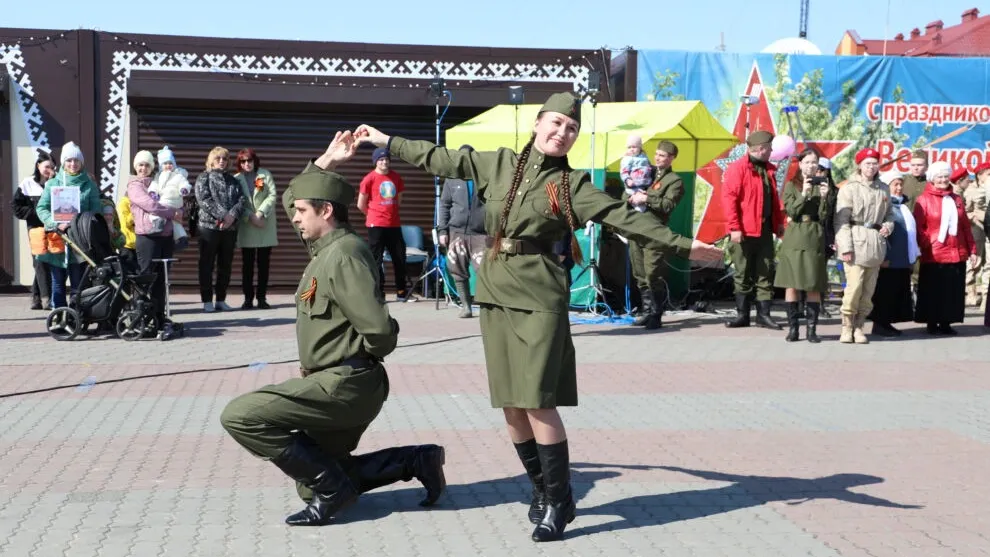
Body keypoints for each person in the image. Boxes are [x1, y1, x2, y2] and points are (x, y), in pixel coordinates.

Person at [352, 92, 723, 542]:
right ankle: (542, 489)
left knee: (537, 399)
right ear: (537, 124)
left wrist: (686, 246)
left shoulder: (572, 187)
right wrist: (388, 140)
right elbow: (439, 158)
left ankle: (561, 499)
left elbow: (624, 217)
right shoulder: (499, 164)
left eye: (571, 128)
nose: (562, 133)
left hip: (541, 294)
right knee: (510, 401)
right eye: (555, 123)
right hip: (495, 290)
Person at [220, 132, 446, 527]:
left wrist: (356, 359)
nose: (294, 217)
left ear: (326, 212)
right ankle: (414, 460)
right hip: (338, 381)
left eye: (303, 212)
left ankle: (335, 490)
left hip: (346, 384)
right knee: (314, 481)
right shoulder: (325, 246)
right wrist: (327, 160)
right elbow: (293, 195)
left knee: (241, 415)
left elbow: (379, 330)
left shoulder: (344, 256)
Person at [722, 130, 785, 329]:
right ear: (760, 148)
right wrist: (734, 228)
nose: (771, 151)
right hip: (743, 231)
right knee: (742, 272)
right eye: (769, 148)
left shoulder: (769, 170)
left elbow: (774, 201)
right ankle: (743, 315)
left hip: (764, 229)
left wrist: (779, 223)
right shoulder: (738, 169)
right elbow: (729, 200)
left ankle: (763, 315)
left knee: (765, 271)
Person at [834, 147, 895, 344]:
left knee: (868, 291)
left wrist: (888, 226)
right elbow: (841, 221)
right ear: (859, 166)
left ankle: (859, 326)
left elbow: (890, 214)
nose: (871, 167)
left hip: (875, 243)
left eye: (874, 163)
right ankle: (847, 326)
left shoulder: (883, 188)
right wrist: (845, 247)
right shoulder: (849, 188)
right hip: (855, 240)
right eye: (867, 163)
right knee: (854, 288)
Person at [773, 148, 832, 343]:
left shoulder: (822, 184)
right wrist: (804, 193)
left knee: (812, 283)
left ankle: (812, 330)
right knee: (792, 284)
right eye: (807, 162)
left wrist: (824, 198)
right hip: (796, 235)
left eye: (814, 162)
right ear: (800, 164)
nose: (811, 166)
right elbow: (792, 211)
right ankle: (793, 329)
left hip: (814, 235)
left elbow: (824, 216)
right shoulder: (792, 185)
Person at [35, 141, 102, 309]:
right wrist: (54, 222)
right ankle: (59, 317)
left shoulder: (89, 184)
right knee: (57, 282)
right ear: (64, 162)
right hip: (58, 239)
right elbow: (41, 208)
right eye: (69, 160)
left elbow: (95, 211)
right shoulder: (53, 184)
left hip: (80, 241)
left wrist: (81, 224)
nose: (73, 164)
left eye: (76, 160)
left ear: (81, 162)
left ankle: (76, 317)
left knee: (78, 285)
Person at [625, 140, 684, 329]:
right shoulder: (646, 170)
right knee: (639, 273)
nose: (658, 158)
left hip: (655, 232)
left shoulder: (674, 181)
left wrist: (647, 198)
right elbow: (630, 187)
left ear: (672, 158)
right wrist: (631, 196)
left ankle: (656, 314)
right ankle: (646, 311)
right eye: (657, 154)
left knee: (652, 274)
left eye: (663, 156)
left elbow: (667, 205)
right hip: (637, 228)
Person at [913, 161, 977, 335]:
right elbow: (919, 227)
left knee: (952, 289)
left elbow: (965, 226)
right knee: (934, 288)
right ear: (932, 179)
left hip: (956, 249)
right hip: (934, 252)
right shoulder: (924, 199)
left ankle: (947, 322)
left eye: (945, 176)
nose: (943, 180)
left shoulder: (956, 199)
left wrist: (972, 249)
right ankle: (932, 322)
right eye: (939, 177)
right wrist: (928, 243)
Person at [128, 150, 179, 330]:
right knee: (146, 278)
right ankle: (140, 317)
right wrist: (171, 213)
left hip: (165, 236)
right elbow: (150, 205)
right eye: (141, 165)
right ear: (136, 167)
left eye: (147, 165)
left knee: (161, 280)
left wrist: (178, 210)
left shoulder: (158, 181)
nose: (144, 168)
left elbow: (175, 199)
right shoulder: (134, 185)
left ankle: (158, 317)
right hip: (147, 237)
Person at [194, 146, 246, 313]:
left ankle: (221, 299)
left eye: (224, 159)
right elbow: (204, 199)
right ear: (211, 161)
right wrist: (223, 215)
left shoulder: (233, 180)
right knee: (206, 264)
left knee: (226, 265)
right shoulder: (204, 177)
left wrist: (232, 217)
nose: (221, 161)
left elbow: (241, 200)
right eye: (218, 159)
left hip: (229, 229)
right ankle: (207, 300)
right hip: (208, 227)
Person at [438, 144, 486, 317]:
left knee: (485, 270)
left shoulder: (484, 178)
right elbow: (444, 205)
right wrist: (442, 231)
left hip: (481, 233)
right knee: (457, 268)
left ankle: (487, 306)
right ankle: (466, 306)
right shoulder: (452, 179)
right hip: (456, 232)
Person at [868, 172, 919, 337]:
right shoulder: (883, 206)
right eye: (895, 184)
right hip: (887, 259)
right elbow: (874, 229)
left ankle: (887, 323)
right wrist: (881, 257)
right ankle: (880, 324)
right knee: (885, 293)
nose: (899, 188)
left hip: (901, 259)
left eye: (900, 184)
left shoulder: (902, 206)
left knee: (896, 292)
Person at [358, 147, 409, 301]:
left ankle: (401, 291)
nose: (384, 162)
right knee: (376, 260)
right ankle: (378, 292)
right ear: (375, 162)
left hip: (394, 224)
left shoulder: (396, 177)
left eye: (386, 159)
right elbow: (361, 204)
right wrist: (373, 215)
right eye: (381, 159)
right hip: (376, 225)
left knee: (399, 257)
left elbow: (398, 199)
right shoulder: (369, 179)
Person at [235, 148, 279, 310]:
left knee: (263, 265)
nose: (247, 164)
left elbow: (272, 195)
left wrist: (260, 213)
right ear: (239, 163)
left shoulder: (264, 175)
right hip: (248, 226)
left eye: (249, 161)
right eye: (243, 161)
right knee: (247, 266)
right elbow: (236, 202)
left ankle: (261, 298)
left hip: (264, 224)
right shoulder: (237, 179)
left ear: (255, 161)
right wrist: (250, 216)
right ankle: (247, 299)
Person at [12, 151, 57, 309]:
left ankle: (36, 297)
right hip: (35, 228)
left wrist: (53, 182)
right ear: (38, 166)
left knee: (49, 260)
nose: (49, 170)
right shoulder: (27, 183)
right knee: (39, 260)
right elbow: (16, 207)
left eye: (52, 167)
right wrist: (34, 214)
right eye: (46, 166)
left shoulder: (56, 183)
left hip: (53, 227)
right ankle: (46, 299)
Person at [953, 166, 986, 307]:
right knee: (974, 262)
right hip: (976, 229)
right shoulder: (968, 190)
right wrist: (976, 217)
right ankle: (970, 294)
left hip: (986, 230)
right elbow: (964, 212)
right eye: (988, 174)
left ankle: (984, 297)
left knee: (986, 264)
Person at [619, 134, 653, 213]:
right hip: (633, 185)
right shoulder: (627, 159)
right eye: (629, 147)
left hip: (644, 184)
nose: (631, 149)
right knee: (638, 207)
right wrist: (627, 179)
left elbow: (649, 166)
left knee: (644, 203)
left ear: (640, 147)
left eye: (634, 147)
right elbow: (624, 171)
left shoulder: (644, 157)